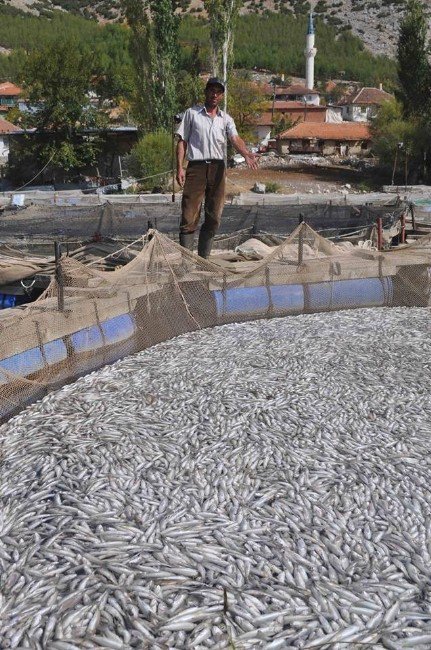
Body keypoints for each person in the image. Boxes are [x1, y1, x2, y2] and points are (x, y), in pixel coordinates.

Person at [176, 77, 259, 259]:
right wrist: (180, 168)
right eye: (211, 90)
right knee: (189, 215)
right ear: (206, 92)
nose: (214, 94)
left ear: (221, 96)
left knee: (214, 216)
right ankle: (186, 263)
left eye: (218, 92)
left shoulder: (226, 119)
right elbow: (182, 141)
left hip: (218, 169)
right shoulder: (192, 114)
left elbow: (235, 138)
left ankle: (203, 260)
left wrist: (245, 153)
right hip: (196, 168)